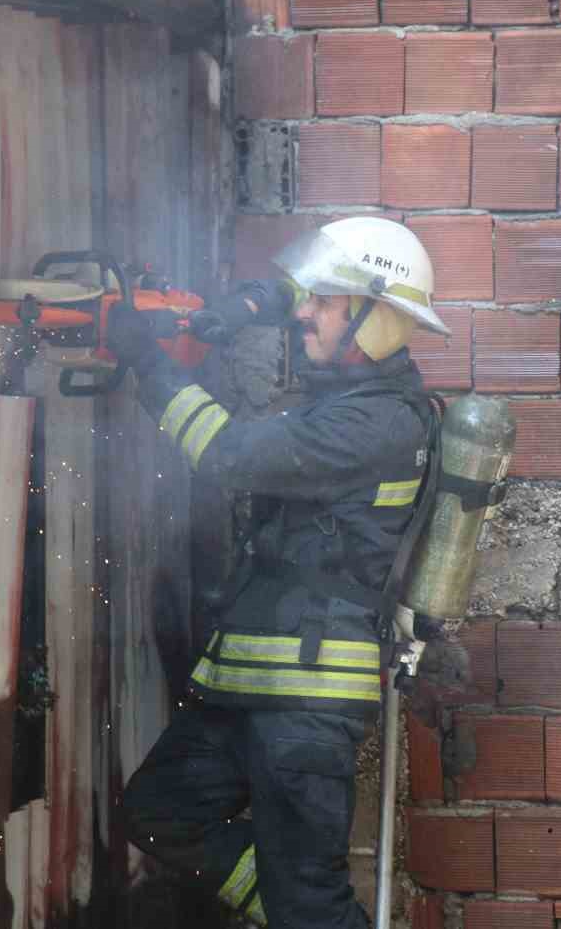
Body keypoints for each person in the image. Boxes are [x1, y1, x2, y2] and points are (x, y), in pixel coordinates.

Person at [102, 216, 450, 929]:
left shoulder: (378, 424)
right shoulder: (346, 402)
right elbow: (287, 292)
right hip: (249, 686)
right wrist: (241, 310)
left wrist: (153, 366)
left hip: (307, 699)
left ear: (374, 317)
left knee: (309, 901)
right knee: (162, 812)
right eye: (311, 299)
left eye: (326, 303)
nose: (306, 315)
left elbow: (231, 456)